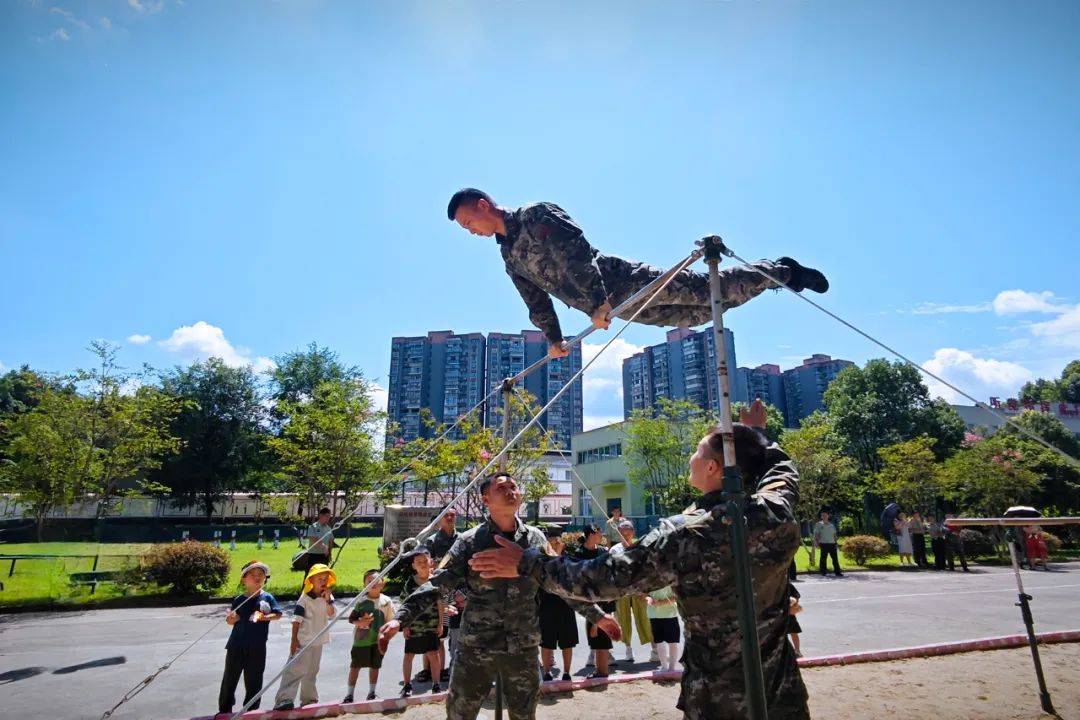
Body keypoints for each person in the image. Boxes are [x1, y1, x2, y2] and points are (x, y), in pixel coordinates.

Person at [468, 421, 811, 720]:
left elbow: (602, 579)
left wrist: (528, 562)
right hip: (780, 693)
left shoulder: (687, 534)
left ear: (712, 468)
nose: (691, 457)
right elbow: (783, 472)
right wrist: (757, 437)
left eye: (697, 450)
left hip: (720, 698)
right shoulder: (776, 512)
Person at [447, 189, 829, 359]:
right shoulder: (509, 256)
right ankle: (769, 278)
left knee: (709, 288)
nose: (470, 231)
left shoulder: (534, 214)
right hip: (613, 310)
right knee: (702, 313)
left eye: (469, 221)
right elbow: (535, 299)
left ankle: (782, 271)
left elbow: (576, 252)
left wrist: (598, 300)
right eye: (464, 229)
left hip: (620, 284)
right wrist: (554, 339)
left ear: (484, 205)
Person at [378, 473, 620, 720]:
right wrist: (401, 618)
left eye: (514, 486)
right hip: (477, 649)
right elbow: (438, 584)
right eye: (501, 488)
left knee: (524, 716)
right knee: (460, 714)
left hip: (522, 649)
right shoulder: (469, 542)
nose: (510, 491)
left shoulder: (535, 540)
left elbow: (558, 583)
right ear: (485, 499)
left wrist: (598, 616)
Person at [218, 560, 282, 715]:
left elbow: (278, 614)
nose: (257, 577)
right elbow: (231, 620)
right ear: (244, 579)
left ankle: (251, 712)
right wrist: (231, 619)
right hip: (236, 646)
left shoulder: (267, 598)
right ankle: (225, 710)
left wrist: (264, 617)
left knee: (254, 680)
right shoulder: (239, 599)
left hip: (257, 646)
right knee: (230, 679)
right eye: (253, 575)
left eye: (261, 575)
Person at [273, 564, 336, 711]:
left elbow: (332, 613)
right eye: (319, 578)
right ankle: (284, 698)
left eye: (325, 579)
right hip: (304, 640)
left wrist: (328, 600)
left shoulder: (328, 596)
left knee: (312, 671)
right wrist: (293, 640)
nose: (323, 581)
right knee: (295, 670)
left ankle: (309, 699)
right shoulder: (304, 598)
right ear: (311, 580)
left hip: (318, 639)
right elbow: (296, 620)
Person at [397, 547, 445, 697]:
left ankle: (436, 684)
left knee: (433, 654)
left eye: (425, 561)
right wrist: (404, 625)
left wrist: (441, 623)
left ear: (431, 562)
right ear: (414, 565)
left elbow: (440, 603)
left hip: (431, 625)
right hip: (414, 626)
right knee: (409, 655)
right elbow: (404, 603)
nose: (423, 564)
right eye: (419, 562)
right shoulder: (410, 583)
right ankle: (406, 685)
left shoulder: (436, 580)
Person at [343, 569, 395, 703]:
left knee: (375, 666)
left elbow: (391, 621)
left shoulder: (386, 601)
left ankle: (372, 692)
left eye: (377, 581)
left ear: (383, 584)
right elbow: (352, 618)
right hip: (361, 641)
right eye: (369, 581)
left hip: (378, 641)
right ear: (364, 584)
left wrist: (386, 637)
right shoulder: (361, 601)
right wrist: (359, 621)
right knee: (355, 666)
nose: (373, 583)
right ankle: (349, 695)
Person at [573, 524, 616, 678]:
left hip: (603, 596)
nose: (601, 535)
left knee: (600, 635)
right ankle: (600, 670)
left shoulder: (603, 552)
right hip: (589, 598)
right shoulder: (579, 553)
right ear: (590, 535)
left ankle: (602, 671)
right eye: (598, 533)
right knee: (595, 635)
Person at [423, 507, 460, 684]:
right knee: (434, 630)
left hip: (458, 592)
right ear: (439, 520)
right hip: (437, 593)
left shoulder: (462, 539)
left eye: (453, 515)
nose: (450, 517)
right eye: (446, 515)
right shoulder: (432, 541)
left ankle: (448, 668)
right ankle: (428, 669)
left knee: (454, 630)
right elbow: (427, 567)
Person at [610, 519, 655, 662]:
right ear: (619, 532)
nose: (626, 532)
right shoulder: (615, 549)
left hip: (638, 589)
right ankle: (628, 649)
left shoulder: (640, 547)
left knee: (645, 618)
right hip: (622, 589)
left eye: (628, 529)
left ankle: (654, 650)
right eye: (623, 530)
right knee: (623, 619)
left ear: (633, 532)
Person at [538, 528, 579, 682]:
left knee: (567, 641)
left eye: (557, 539)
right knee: (546, 641)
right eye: (552, 539)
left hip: (566, 605)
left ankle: (567, 672)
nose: (555, 542)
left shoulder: (569, 558)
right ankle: (547, 672)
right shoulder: (543, 558)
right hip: (547, 605)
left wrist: (560, 553)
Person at [646, 585, 680, 673]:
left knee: (672, 642)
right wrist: (648, 599)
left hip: (670, 614)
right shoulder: (649, 580)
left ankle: (672, 668)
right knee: (659, 642)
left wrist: (661, 603)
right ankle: (664, 667)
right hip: (654, 615)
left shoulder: (670, 580)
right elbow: (645, 594)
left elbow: (676, 596)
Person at [295, 507, 335, 580]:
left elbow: (330, 541)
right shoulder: (313, 527)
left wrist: (330, 554)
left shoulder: (328, 528)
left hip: (324, 557)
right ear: (321, 515)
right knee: (309, 576)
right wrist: (324, 547)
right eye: (327, 516)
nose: (328, 518)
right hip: (313, 556)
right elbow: (313, 540)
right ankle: (305, 591)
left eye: (329, 516)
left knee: (323, 576)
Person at [812, 510, 843, 577]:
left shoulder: (832, 525)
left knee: (835, 559)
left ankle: (838, 572)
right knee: (823, 559)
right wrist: (816, 543)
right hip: (823, 544)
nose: (824, 516)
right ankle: (823, 572)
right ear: (821, 516)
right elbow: (816, 535)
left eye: (825, 515)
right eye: (823, 515)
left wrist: (836, 543)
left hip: (832, 544)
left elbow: (834, 535)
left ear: (828, 516)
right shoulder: (818, 525)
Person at [786, 583, 803, 659]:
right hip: (779, 613)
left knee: (794, 632)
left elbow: (796, 596)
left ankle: (797, 650)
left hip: (789, 613)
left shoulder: (788, 585)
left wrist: (795, 604)